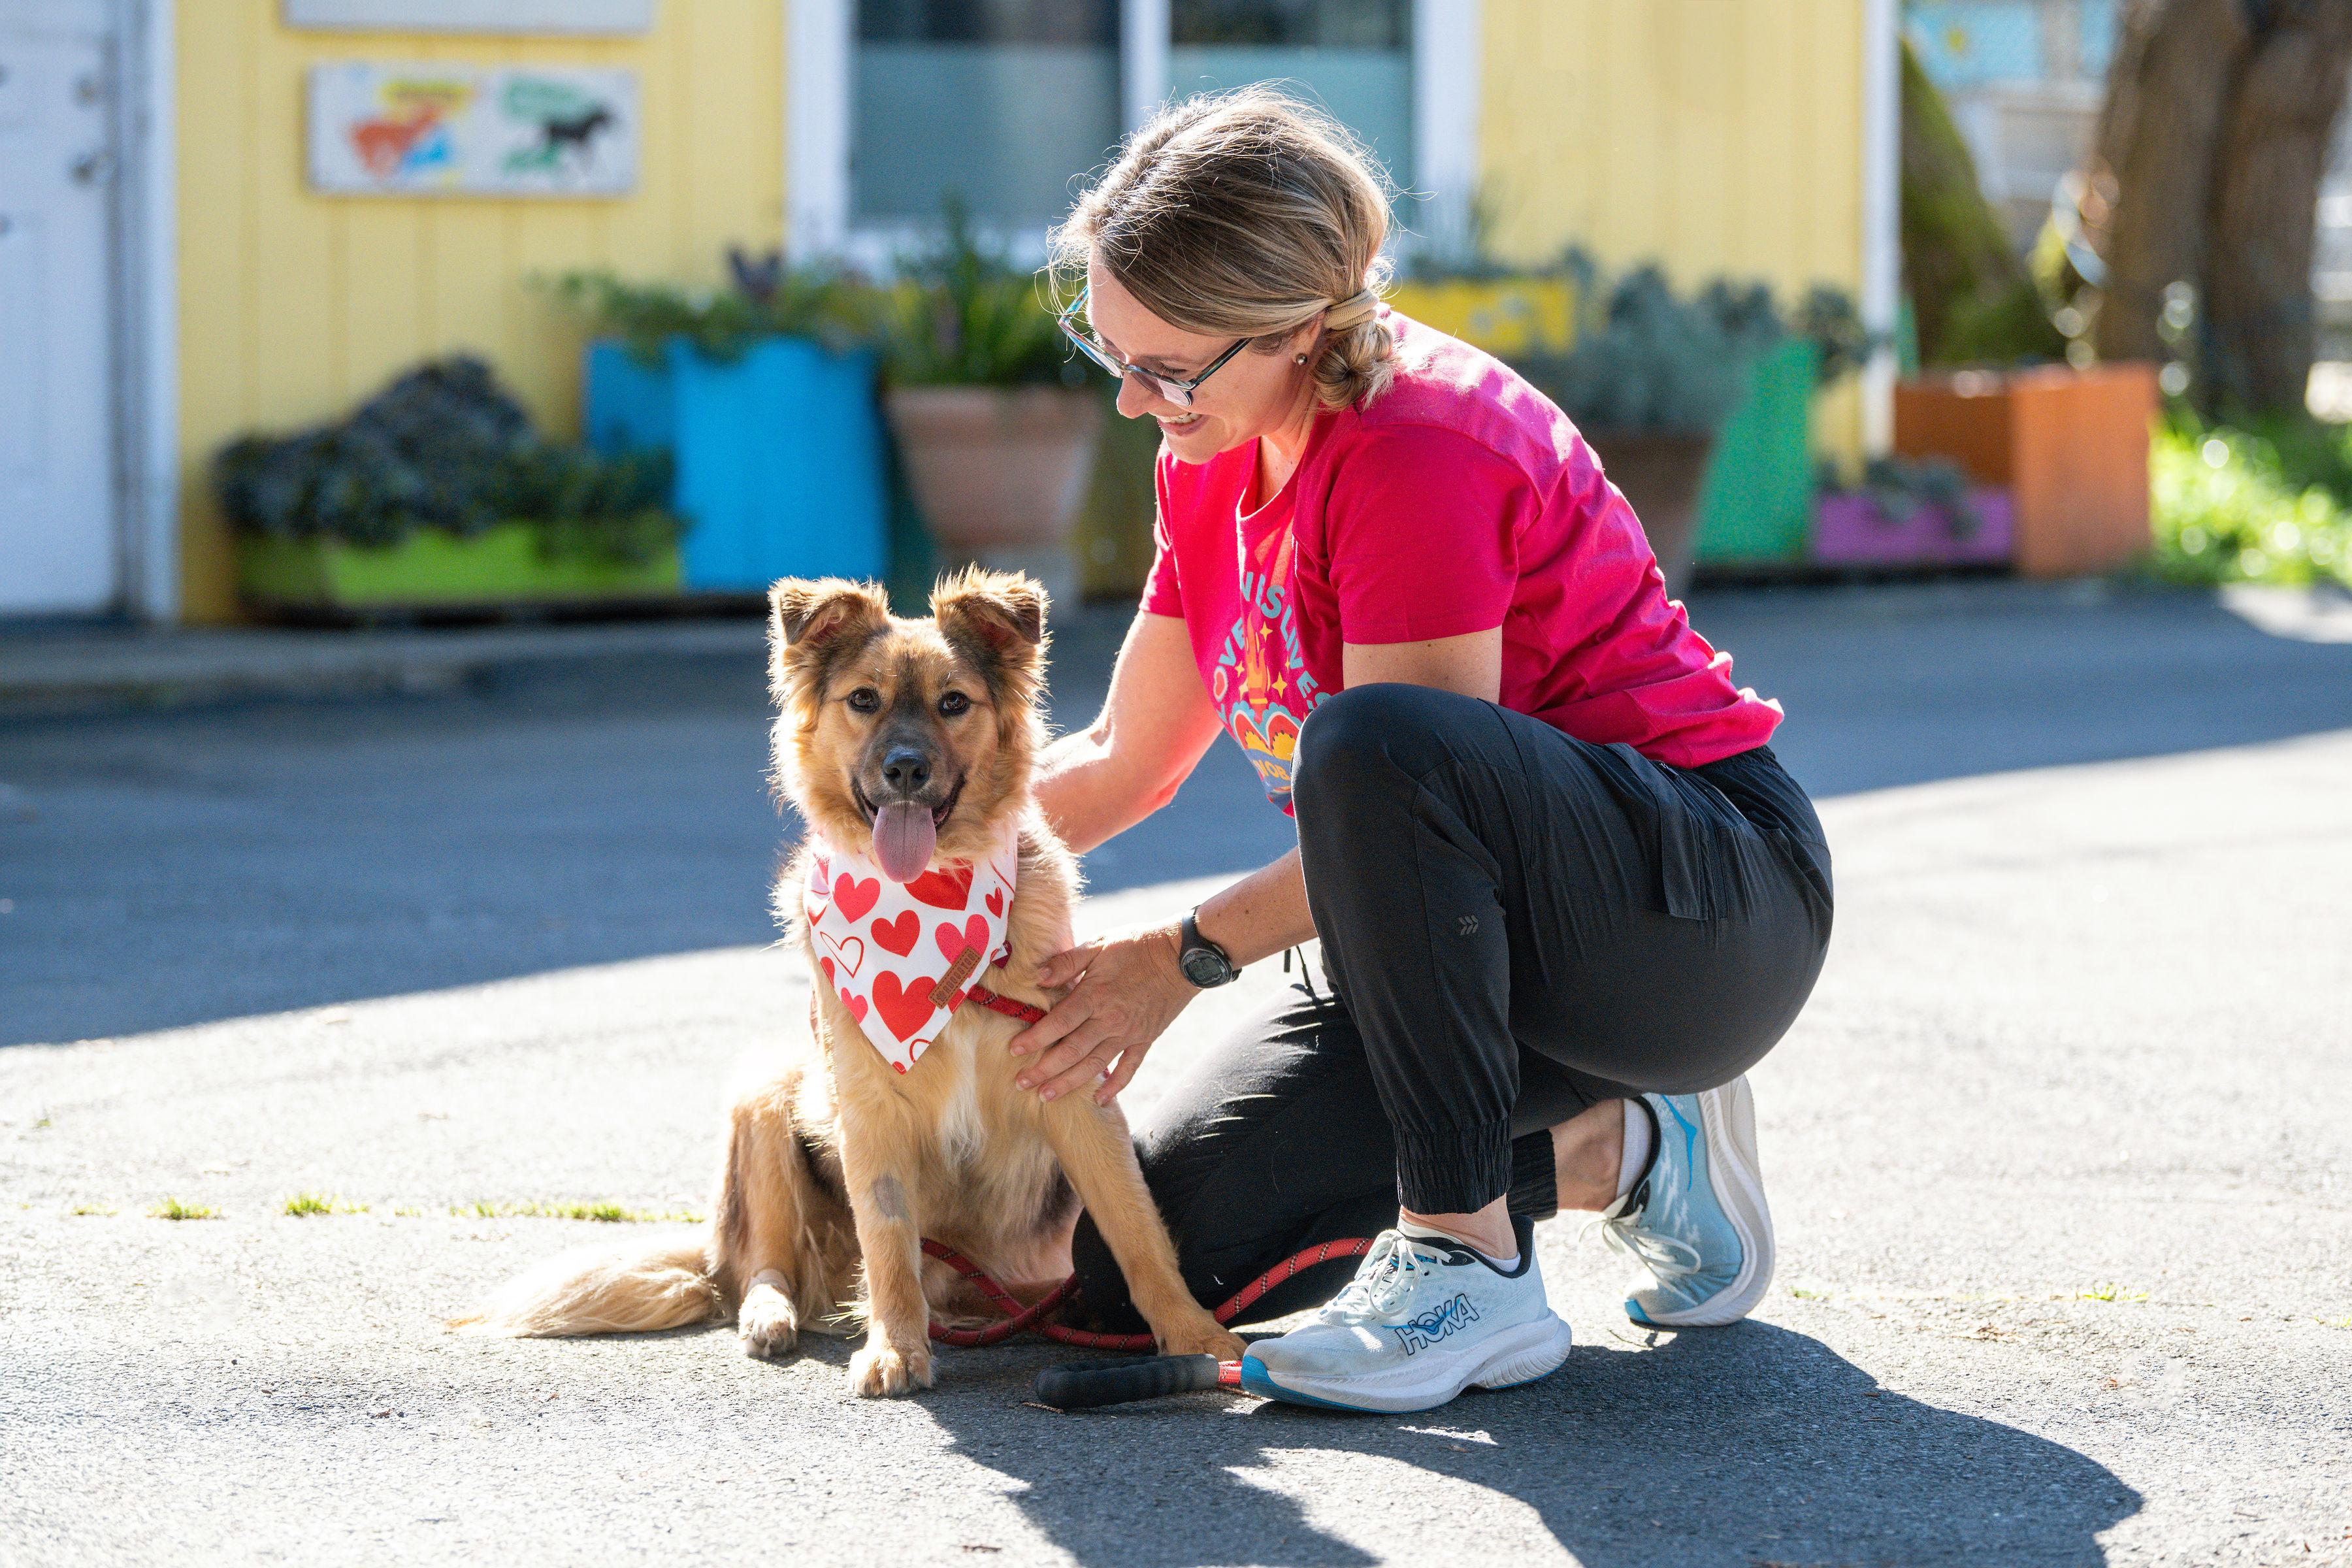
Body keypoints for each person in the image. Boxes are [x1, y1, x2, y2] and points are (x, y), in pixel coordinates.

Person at [1008, 88, 1834, 1415]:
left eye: (1166, 366)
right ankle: (1626, 1150)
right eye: (1111, 351)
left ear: (1293, 328)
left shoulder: (1415, 447)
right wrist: (896, 892)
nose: (1129, 400)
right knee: (1115, 1264)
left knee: (1378, 742)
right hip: (1458, 952)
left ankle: (1467, 1269)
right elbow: (1121, 758)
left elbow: (1403, 792)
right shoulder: (1210, 448)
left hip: (1701, 913)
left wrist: (1176, 961)